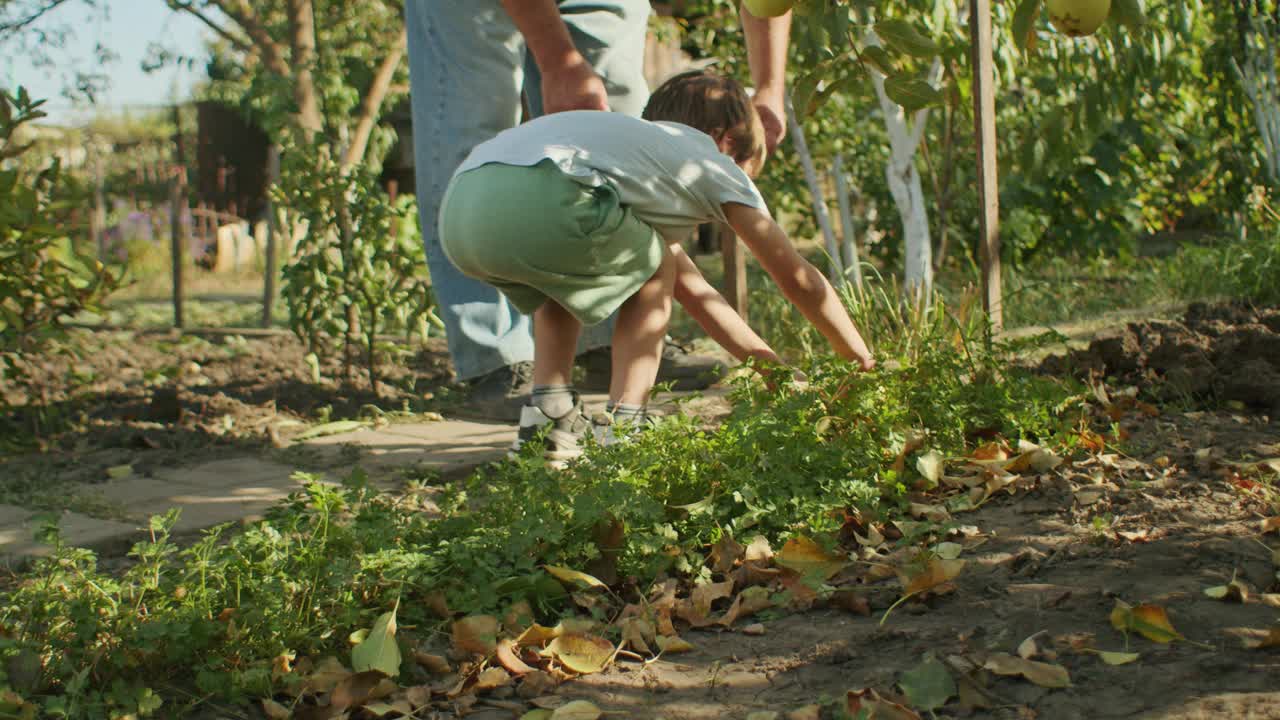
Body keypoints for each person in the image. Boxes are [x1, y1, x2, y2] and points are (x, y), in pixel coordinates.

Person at [438, 69, 876, 463]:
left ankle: (550, 418)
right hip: (549, 196)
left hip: (460, 211)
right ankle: (627, 424)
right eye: (748, 168)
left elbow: (700, 296)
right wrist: (857, 358)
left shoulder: (626, 156)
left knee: (570, 279)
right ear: (726, 141)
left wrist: (777, 376)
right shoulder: (705, 158)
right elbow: (797, 278)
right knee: (652, 263)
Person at [405, 0, 793, 421]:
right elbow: (794, 279)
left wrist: (770, 85)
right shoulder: (713, 164)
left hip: (463, 231)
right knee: (471, 109)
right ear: (725, 144)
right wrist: (557, 60)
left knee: (563, 254)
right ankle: (606, 410)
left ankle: (553, 406)